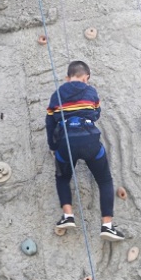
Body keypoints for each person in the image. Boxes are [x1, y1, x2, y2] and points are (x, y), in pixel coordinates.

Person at [46, 61, 124, 241]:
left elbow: (50, 122)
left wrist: (53, 146)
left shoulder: (57, 95)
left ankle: (68, 216)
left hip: (66, 143)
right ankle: (107, 226)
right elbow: (96, 114)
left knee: (62, 178)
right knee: (105, 180)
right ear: (86, 78)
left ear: (67, 78)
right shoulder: (91, 92)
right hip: (90, 141)